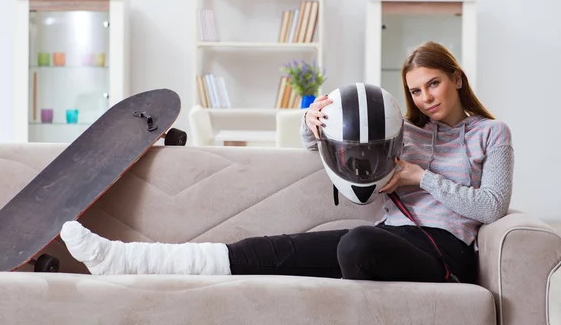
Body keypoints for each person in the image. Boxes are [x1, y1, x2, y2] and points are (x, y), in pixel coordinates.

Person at [60, 41, 514, 283]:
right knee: (270, 249)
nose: (425, 97)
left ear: (456, 78)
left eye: (433, 84)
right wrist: (310, 120)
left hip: (444, 254)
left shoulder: (492, 134)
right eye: (416, 90)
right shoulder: (402, 131)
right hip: (388, 238)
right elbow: (318, 148)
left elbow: (492, 206)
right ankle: (124, 260)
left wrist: (421, 177)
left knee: (356, 245)